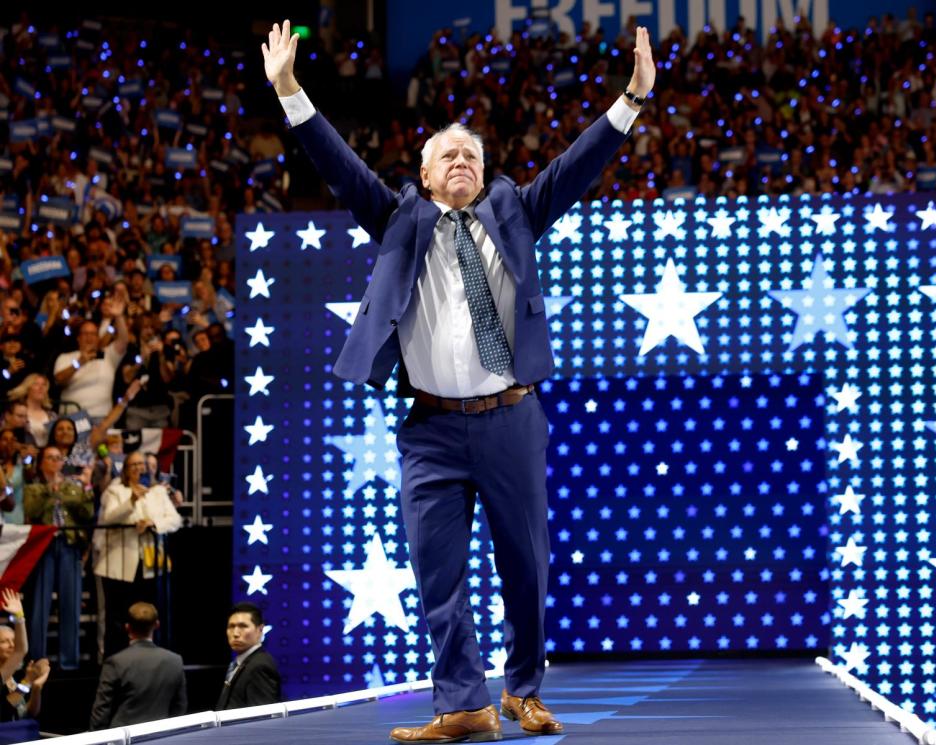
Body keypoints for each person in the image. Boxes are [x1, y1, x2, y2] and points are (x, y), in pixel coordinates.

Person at [261, 18, 654, 742]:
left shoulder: (516, 211)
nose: (463, 161)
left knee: (525, 567)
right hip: (431, 430)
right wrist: (290, 92)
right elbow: (341, 164)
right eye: (448, 155)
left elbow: (574, 164)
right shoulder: (397, 219)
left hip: (511, 418)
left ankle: (524, 690)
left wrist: (630, 99)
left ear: (487, 170)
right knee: (437, 572)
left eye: (472, 153)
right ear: (424, 175)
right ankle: (464, 701)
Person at [93, 452, 181, 660]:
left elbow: (174, 519)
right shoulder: (115, 491)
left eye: (141, 464)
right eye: (133, 464)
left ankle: (150, 657)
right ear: (125, 469)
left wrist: (154, 524)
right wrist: (131, 500)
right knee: (118, 614)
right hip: (119, 562)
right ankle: (115, 658)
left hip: (150, 562)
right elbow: (108, 518)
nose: (138, 468)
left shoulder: (158, 491)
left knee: (149, 611)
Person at [23, 445, 94, 670]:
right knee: (39, 605)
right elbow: (32, 511)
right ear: (42, 462)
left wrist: (85, 486)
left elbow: (87, 512)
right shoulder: (34, 489)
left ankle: (69, 661)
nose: (55, 462)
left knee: (70, 603)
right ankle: (37, 660)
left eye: (58, 458)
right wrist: (50, 491)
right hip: (43, 547)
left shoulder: (72, 487)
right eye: (50, 458)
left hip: (68, 544)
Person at [89, 602, 186, 729]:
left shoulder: (116, 662)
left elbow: (101, 712)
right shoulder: (175, 661)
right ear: (157, 625)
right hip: (161, 737)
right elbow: (180, 707)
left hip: (124, 739)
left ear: (127, 627)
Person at [52, 296, 129, 421]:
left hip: (102, 419)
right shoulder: (66, 357)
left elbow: (123, 341)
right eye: (85, 334)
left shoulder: (108, 355)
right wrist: (78, 363)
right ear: (78, 338)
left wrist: (119, 316)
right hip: (72, 419)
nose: (89, 337)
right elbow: (58, 380)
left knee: (103, 442)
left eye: (93, 334)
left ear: (98, 337)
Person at [216, 602, 280, 710]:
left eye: (243, 626)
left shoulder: (260, 666)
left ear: (260, 630)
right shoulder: (241, 662)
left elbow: (262, 718)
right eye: (231, 626)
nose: (235, 633)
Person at [0, 588, 49, 722]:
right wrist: (27, 681)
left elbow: (25, 712)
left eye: (13, 640)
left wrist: (36, 688)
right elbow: (5, 710)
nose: (12, 644)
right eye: (4, 641)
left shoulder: (13, 677)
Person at [8, 374, 54, 447]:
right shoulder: (17, 411)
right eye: (36, 384)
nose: (41, 388)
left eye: (44, 385)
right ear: (28, 388)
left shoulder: (52, 415)